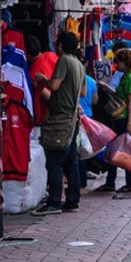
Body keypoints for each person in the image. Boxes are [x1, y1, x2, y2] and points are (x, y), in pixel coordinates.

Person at [31, 31, 87, 216]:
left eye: (57, 43)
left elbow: (54, 85)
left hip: (61, 119)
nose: (55, 46)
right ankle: (72, 200)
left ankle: (54, 201)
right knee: (71, 161)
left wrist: (42, 80)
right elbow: (83, 93)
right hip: (72, 119)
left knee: (54, 161)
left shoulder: (64, 61)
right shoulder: (79, 64)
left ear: (61, 45)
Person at [96, 48, 131, 193]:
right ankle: (113, 181)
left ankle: (128, 182)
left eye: (118, 61)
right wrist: (107, 89)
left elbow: (130, 101)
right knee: (116, 149)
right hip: (121, 118)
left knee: (124, 151)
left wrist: (129, 124)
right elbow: (120, 95)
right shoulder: (126, 77)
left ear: (125, 62)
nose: (116, 64)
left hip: (126, 118)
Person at [26, 35, 58, 125]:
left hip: (48, 116)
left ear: (27, 55)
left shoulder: (32, 73)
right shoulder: (53, 55)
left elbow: (48, 96)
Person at [78, 72, 98, 192]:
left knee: (78, 151)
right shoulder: (91, 80)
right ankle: (82, 181)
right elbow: (95, 100)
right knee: (84, 149)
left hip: (78, 117)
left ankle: (81, 183)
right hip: (89, 117)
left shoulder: (71, 78)